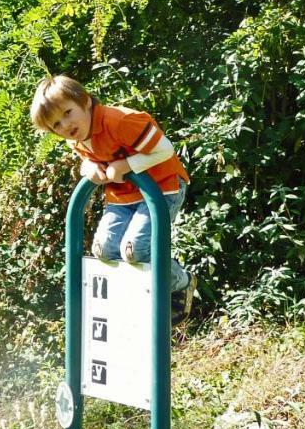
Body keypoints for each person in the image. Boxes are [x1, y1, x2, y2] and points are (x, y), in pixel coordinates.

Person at [30, 74, 195, 321]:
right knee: (104, 249)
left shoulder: (119, 121)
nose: (65, 125)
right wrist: (89, 168)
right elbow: (88, 161)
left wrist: (126, 164)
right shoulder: (77, 139)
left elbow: (165, 149)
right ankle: (135, 297)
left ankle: (181, 282)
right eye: (56, 125)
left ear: (85, 101)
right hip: (123, 196)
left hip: (162, 187)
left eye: (67, 113)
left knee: (135, 249)